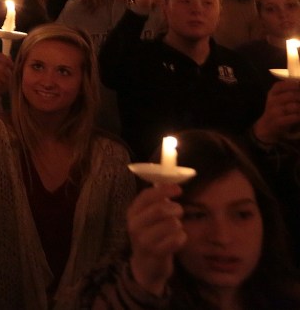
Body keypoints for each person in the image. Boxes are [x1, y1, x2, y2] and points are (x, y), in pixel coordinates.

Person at [0, 24, 135, 309]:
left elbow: (119, 248)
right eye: (38, 67)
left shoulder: (111, 158)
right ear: (20, 72)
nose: (48, 81)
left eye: (64, 72)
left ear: (83, 83)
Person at [76, 130, 300, 309]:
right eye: (197, 215)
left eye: (242, 215)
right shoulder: (117, 295)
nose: (222, 237)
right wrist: (146, 281)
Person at [99, 0, 274, 161]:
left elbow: (257, 126)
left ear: (219, 13)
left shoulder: (237, 66)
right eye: (185, 1)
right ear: (165, 9)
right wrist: (138, 10)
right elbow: (108, 69)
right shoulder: (140, 59)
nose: (197, 9)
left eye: (207, 3)